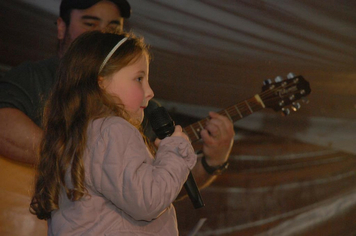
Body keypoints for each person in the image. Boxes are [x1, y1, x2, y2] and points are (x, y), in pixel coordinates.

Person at [0, 0, 233, 193]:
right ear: (61, 27)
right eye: (90, 23)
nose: (102, 33)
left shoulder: (142, 106)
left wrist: (213, 162)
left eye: (114, 27)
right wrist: (80, 161)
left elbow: (158, 191)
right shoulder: (32, 76)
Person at [30, 30, 197, 235]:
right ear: (102, 82)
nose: (150, 91)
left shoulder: (77, 136)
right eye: (139, 79)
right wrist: (175, 152)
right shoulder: (112, 131)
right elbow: (148, 200)